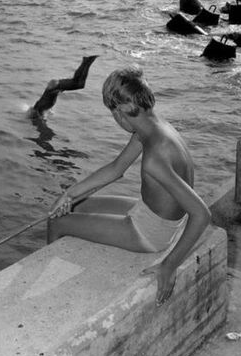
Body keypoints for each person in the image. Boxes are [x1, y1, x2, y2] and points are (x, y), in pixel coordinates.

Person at [47, 66, 211, 305]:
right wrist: (69, 194)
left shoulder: (155, 156)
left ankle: (52, 288)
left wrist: (169, 266)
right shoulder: (154, 128)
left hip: (150, 233)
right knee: (74, 205)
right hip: (149, 212)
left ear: (120, 112)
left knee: (56, 222)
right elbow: (116, 168)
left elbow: (201, 214)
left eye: (112, 112)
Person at [30, 55, 98, 118]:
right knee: (79, 84)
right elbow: (45, 101)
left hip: (54, 87)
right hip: (53, 85)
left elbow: (47, 97)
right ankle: (87, 62)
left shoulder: (40, 107)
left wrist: (58, 90)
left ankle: (86, 61)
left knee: (78, 84)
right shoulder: (44, 107)